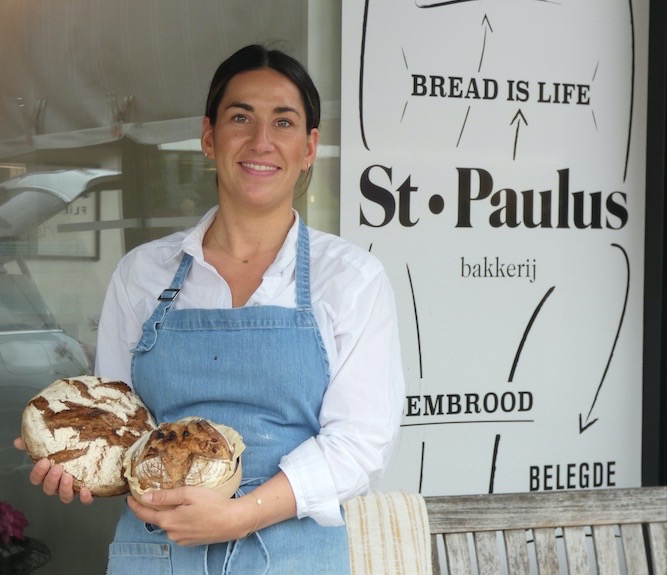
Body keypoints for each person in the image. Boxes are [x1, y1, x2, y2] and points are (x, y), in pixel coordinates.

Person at [15, 44, 405, 574]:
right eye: (240, 117)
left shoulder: (351, 280)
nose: (261, 141)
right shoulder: (142, 274)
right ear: (207, 136)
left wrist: (241, 514)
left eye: (284, 122)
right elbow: (122, 427)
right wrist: (82, 464)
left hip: (292, 557)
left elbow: (362, 444)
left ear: (310, 146)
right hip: (155, 553)